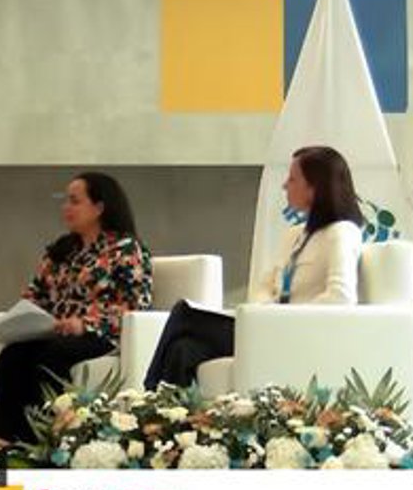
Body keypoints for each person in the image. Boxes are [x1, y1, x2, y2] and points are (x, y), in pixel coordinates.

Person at [143, 145, 364, 390]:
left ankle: (147, 392)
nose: (285, 186)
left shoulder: (342, 233)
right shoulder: (294, 235)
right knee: (183, 349)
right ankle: (168, 410)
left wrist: (285, 316)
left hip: (295, 331)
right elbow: (266, 285)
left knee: (185, 315)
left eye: (292, 179)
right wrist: (263, 311)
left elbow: (341, 297)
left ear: (315, 187)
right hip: (265, 325)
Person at [0, 172, 153, 451]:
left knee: (49, 357)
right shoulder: (61, 250)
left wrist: (84, 323)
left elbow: (134, 305)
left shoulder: (126, 250)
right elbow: (35, 293)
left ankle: (35, 447)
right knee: (13, 355)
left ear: (99, 208)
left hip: (100, 335)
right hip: (55, 332)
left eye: (75, 201)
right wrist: (26, 318)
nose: (66, 208)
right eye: (66, 201)